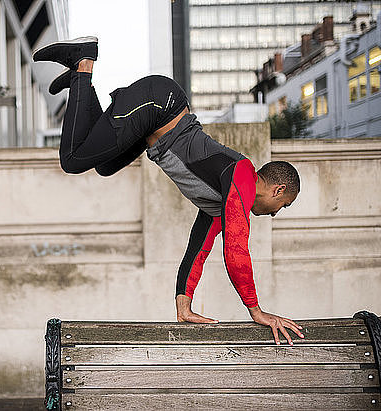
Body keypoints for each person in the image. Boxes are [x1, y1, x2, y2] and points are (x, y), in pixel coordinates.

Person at [33, 37, 305, 345]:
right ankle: (83, 62)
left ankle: (80, 81)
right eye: (283, 204)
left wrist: (184, 305)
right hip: (159, 104)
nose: (276, 212)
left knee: (104, 166)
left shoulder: (221, 200)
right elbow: (237, 250)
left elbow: (198, 249)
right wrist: (257, 311)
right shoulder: (241, 175)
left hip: (156, 119)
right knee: (72, 160)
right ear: (278, 189)